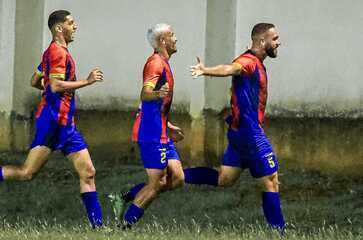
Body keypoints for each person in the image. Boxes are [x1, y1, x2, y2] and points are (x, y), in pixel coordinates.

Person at [0, 10, 104, 228]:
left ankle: (98, 227)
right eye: (71, 23)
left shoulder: (52, 52)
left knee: (88, 173)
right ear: (59, 28)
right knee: (26, 173)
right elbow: (55, 85)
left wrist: (51, 90)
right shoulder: (58, 54)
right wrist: (87, 81)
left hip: (65, 124)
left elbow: (35, 80)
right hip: (52, 122)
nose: (75, 26)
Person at [186, 23, 285, 231]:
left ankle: (177, 174)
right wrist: (206, 71)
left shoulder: (257, 62)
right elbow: (230, 68)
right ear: (261, 41)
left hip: (239, 132)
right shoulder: (248, 61)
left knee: (225, 178)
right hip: (250, 134)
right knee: (271, 181)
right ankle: (279, 233)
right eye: (274, 39)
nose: (278, 42)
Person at [109, 23, 185, 227]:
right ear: (162, 41)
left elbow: (151, 105)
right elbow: (145, 93)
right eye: (173, 35)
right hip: (150, 131)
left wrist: (167, 124)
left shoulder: (164, 63)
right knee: (157, 182)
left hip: (160, 129)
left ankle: (124, 197)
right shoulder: (155, 63)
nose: (176, 38)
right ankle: (124, 226)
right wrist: (157, 94)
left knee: (177, 178)